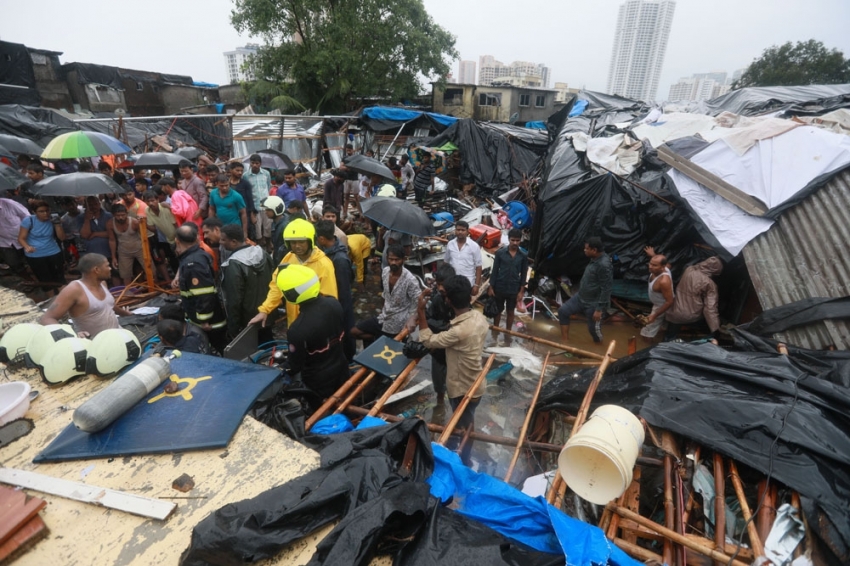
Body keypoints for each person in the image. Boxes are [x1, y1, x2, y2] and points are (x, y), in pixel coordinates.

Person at [417, 274, 488, 464]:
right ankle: (462, 444)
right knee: (467, 418)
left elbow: (428, 340)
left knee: (465, 424)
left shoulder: (457, 331)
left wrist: (421, 312)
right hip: (477, 384)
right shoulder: (479, 318)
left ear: (449, 300)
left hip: (462, 389)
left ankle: (465, 459)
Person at [277, 264, 348, 399]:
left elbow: (294, 366)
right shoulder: (333, 303)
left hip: (318, 382)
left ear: (290, 295)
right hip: (341, 368)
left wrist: (276, 368)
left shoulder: (297, 330)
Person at [250, 218, 338, 329]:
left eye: (301, 241)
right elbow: (277, 286)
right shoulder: (289, 258)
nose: (297, 246)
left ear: (310, 241)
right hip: (293, 322)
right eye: (293, 242)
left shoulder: (324, 265)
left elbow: (329, 299)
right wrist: (265, 310)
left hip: (315, 324)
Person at [40, 253, 129, 337]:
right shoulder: (74, 289)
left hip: (117, 336)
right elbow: (47, 319)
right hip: (93, 344)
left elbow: (109, 306)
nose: (110, 269)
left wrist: (127, 314)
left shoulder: (102, 283)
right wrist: (72, 334)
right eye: (107, 266)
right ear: (96, 270)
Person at [175, 224, 227, 354]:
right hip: (206, 316)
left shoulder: (192, 263)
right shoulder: (198, 255)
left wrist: (204, 319)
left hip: (210, 322)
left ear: (177, 240)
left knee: (220, 348)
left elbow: (204, 293)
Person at [351, 245, 420, 341]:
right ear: (387, 258)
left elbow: (418, 302)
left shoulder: (410, 280)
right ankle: (377, 337)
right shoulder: (385, 272)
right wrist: (383, 309)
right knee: (354, 332)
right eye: (391, 259)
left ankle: (379, 338)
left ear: (403, 259)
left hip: (398, 322)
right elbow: (385, 294)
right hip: (384, 317)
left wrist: (412, 318)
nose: (393, 263)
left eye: (397, 260)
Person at [219, 224, 275, 343]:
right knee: (268, 344)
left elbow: (234, 299)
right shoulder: (262, 253)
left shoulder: (234, 264)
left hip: (248, 320)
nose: (220, 242)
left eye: (223, 240)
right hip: (267, 311)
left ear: (234, 242)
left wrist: (233, 327)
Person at [558, 237, 613, 344]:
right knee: (563, 311)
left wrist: (599, 309)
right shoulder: (595, 258)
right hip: (581, 297)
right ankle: (565, 340)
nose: (584, 250)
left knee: (593, 330)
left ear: (594, 250)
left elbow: (606, 288)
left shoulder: (604, 265)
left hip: (593, 303)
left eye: (587, 249)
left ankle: (600, 347)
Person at [315, 220, 355, 359]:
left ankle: (349, 358)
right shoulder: (331, 253)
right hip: (336, 302)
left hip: (341, 305)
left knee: (346, 334)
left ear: (322, 239)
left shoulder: (340, 260)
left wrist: (339, 312)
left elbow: (344, 291)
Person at [664, 257, 723, 340]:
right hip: (691, 316)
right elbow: (710, 309)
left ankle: (663, 346)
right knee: (706, 328)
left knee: (670, 335)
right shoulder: (710, 284)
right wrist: (716, 329)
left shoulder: (689, 269)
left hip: (674, 311)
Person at [423, 263, 456, 406]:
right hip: (438, 348)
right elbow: (428, 319)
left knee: (455, 381)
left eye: (444, 285)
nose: (441, 288)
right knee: (438, 381)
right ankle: (440, 402)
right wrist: (444, 327)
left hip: (454, 348)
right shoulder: (436, 299)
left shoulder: (458, 299)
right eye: (439, 284)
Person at [488, 228, 528, 344]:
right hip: (499, 286)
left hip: (513, 288)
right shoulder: (500, 253)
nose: (515, 243)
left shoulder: (523, 256)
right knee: (498, 311)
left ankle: (508, 334)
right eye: (512, 240)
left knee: (511, 311)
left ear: (520, 241)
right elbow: (494, 271)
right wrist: (491, 287)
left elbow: (524, 274)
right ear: (509, 240)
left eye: (517, 240)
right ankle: (495, 333)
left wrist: (521, 291)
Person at [18, 200, 65, 294]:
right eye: (41, 211)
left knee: (59, 278)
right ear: (34, 212)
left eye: (47, 210)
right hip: (35, 255)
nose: (45, 213)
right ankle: (51, 302)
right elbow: (21, 238)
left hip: (53, 251)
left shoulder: (53, 219)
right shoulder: (29, 220)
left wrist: (57, 224)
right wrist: (27, 247)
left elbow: (62, 238)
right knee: (45, 280)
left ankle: (65, 300)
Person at [640, 248, 674, 342]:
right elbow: (669, 265)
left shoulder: (663, 281)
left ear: (662, 267)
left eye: (654, 265)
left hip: (661, 306)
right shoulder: (665, 267)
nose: (650, 267)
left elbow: (669, 301)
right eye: (650, 263)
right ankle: (661, 327)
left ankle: (648, 348)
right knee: (658, 325)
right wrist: (653, 255)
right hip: (659, 302)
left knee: (647, 332)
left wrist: (654, 315)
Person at [143, 189, 178, 279]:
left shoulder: (165, 208)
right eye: (148, 201)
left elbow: (176, 224)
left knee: (180, 259)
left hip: (176, 237)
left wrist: (179, 239)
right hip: (167, 239)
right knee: (172, 260)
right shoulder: (147, 210)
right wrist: (143, 223)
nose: (151, 203)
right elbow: (154, 228)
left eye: (152, 200)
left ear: (157, 200)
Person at [107, 204, 145, 286]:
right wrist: (113, 257)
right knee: (125, 275)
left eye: (123, 215)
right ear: (113, 215)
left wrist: (146, 250)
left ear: (127, 214)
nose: (120, 218)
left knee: (150, 270)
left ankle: (153, 288)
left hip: (139, 249)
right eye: (118, 215)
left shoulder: (134, 222)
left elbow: (144, 237)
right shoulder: (110, 224)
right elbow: (112, 240)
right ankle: (128, 292)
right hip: (124, 252)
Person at [444, 220, 482, 296]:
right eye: (458, 230)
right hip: (452, 282)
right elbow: (446, 263)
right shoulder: (450, 244)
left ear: (467, 231)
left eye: (463, 230)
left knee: (464, 305)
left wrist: (476, 285)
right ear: (455, 231)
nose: (460, 232)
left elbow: (478, 267)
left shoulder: (474, 246)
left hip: (468, 283)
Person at [209, 173, 248, 239]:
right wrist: (211, 225)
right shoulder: (213, 193)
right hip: (220, 227)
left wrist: (244, 232)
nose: (225, 188)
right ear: (217, 184)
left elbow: (243, 213)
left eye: (226, 185)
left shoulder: (236, 196)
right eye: (222, 186)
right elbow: (211, 209)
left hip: (234, 226)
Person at [245, 155, 272, 247]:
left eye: (257, 163)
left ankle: (268, 244)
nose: (255, 165)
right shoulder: (246, 176)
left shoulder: (266, 173)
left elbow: (268, 187)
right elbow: (247, 192)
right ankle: (260, 246)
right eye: (253, 163)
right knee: (257, 229)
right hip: (255, 206)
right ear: (250, 163)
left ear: (260, 164)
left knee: (267, 226)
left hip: (266, 205)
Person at [0, 196, 30, 274]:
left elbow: (27, 216)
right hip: (4, 242)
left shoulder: (10, 204)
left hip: (23, 238)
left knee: (31, 260)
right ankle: (27, 280)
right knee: (14, 264)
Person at [227, 163, 255, 236]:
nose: (240, 172)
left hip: (243, 213)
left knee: (245, 232)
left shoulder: (245, 184)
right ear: (231, 170)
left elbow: (250, 199)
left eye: (241, 171)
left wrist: (252, 214)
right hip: (230, 212)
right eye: (237, 170)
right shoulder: (226, 183)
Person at [263, 195, 288, 264]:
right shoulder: (275, 222)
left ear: (276, 209)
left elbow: (283, 249)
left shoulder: (284, 226)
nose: (265, 212)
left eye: (268, 210)